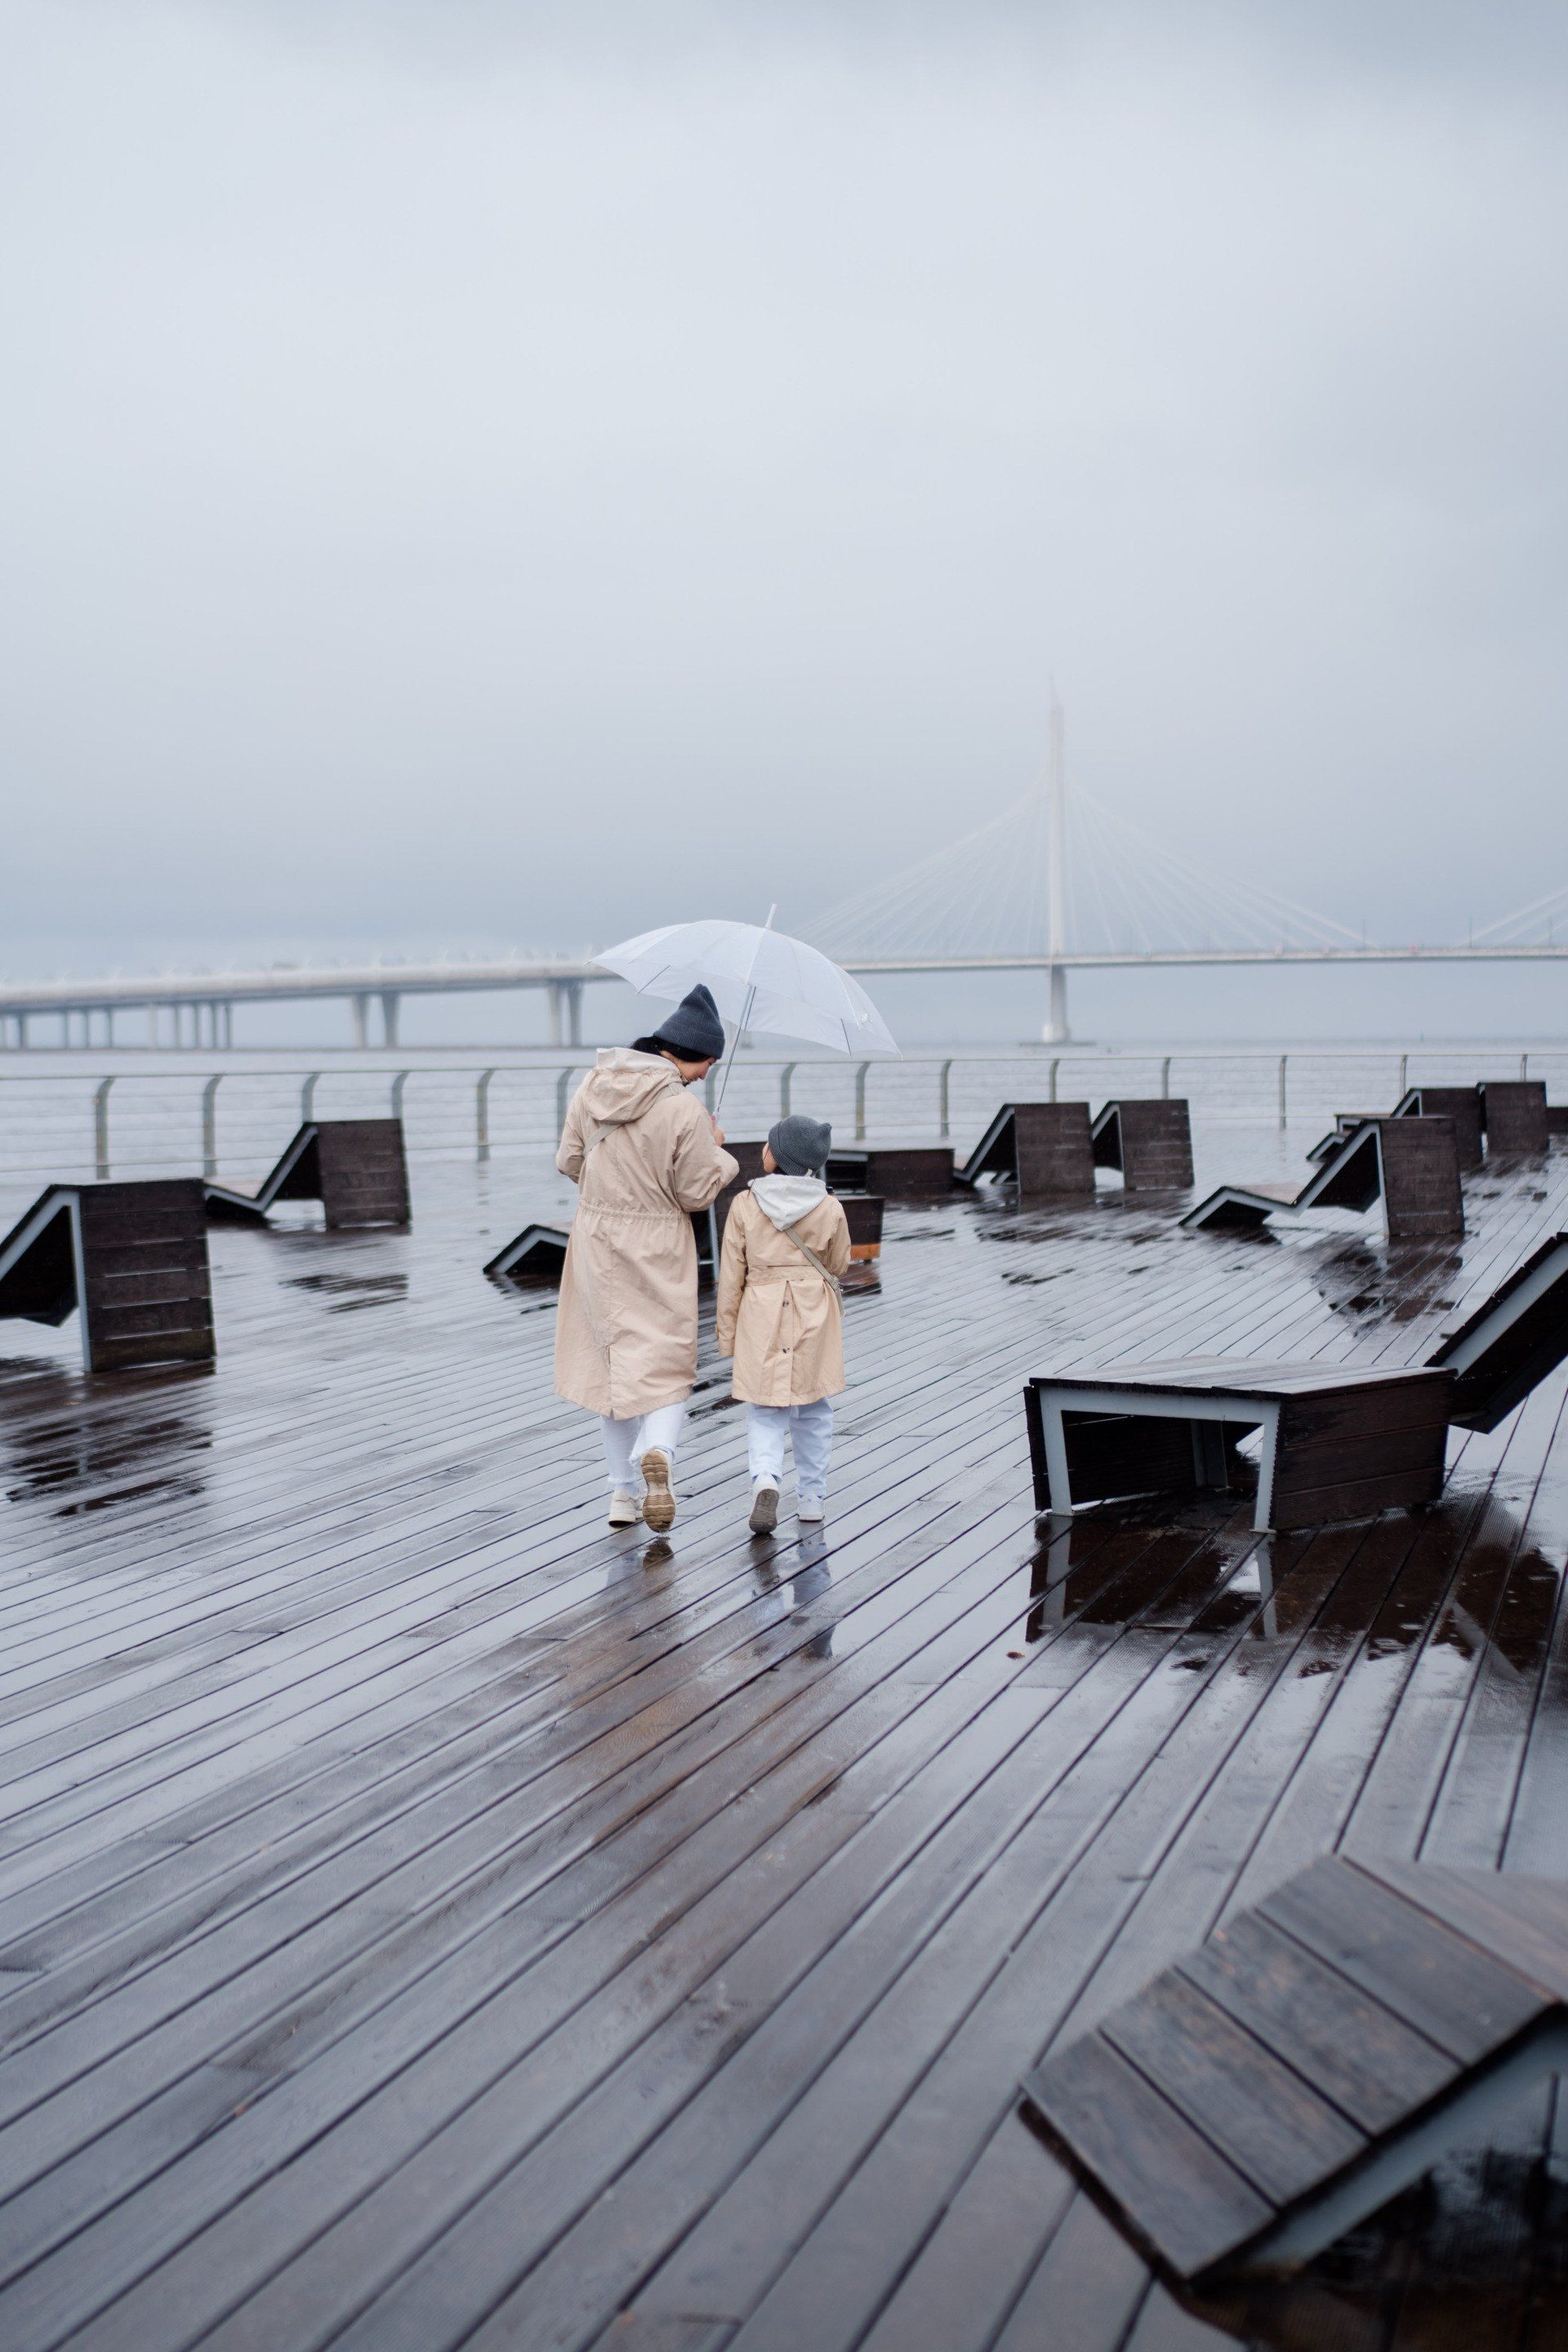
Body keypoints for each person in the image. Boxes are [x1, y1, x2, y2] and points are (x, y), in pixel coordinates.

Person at [555, 983, 738, 1531]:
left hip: (595, 1238)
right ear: (689, 1052)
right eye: (709, 1062)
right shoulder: (684, 1108)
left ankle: (620, 1497)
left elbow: (568, 1159)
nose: (707, 1073)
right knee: (667, 1360)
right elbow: (695, 1192)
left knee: (611, 1368)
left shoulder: (593, 1084)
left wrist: (609, 1190)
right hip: (657, 1242)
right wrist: (720, 1153)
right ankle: (659, 1450)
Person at [715, 1113, 851, 1534]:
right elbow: (840, 1262)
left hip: (761, 1310)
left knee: (765, 1407)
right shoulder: (829, 1205)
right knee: (814, 1408)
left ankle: (766, 1479)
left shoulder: (744, 1204)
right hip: (813, 1310)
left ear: (774, 1155)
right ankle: (811, 1496)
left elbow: (731, 1276)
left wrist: (727, 1335)